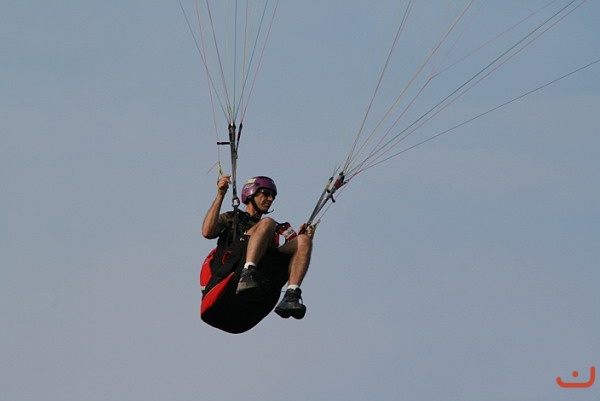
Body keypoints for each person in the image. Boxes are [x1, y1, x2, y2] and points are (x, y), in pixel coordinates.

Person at [201, 174, 313, 333]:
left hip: (251, 301)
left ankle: (291, 294)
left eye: (273, 196)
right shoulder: (233, 218)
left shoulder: (273, 231)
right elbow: (207, 232)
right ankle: (247, 273)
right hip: (230, 277)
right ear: (251, 193)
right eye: (266, 193)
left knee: (303, 241)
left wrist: (298, 245)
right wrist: (221, 194)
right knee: (268, 223)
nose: (270, 199)